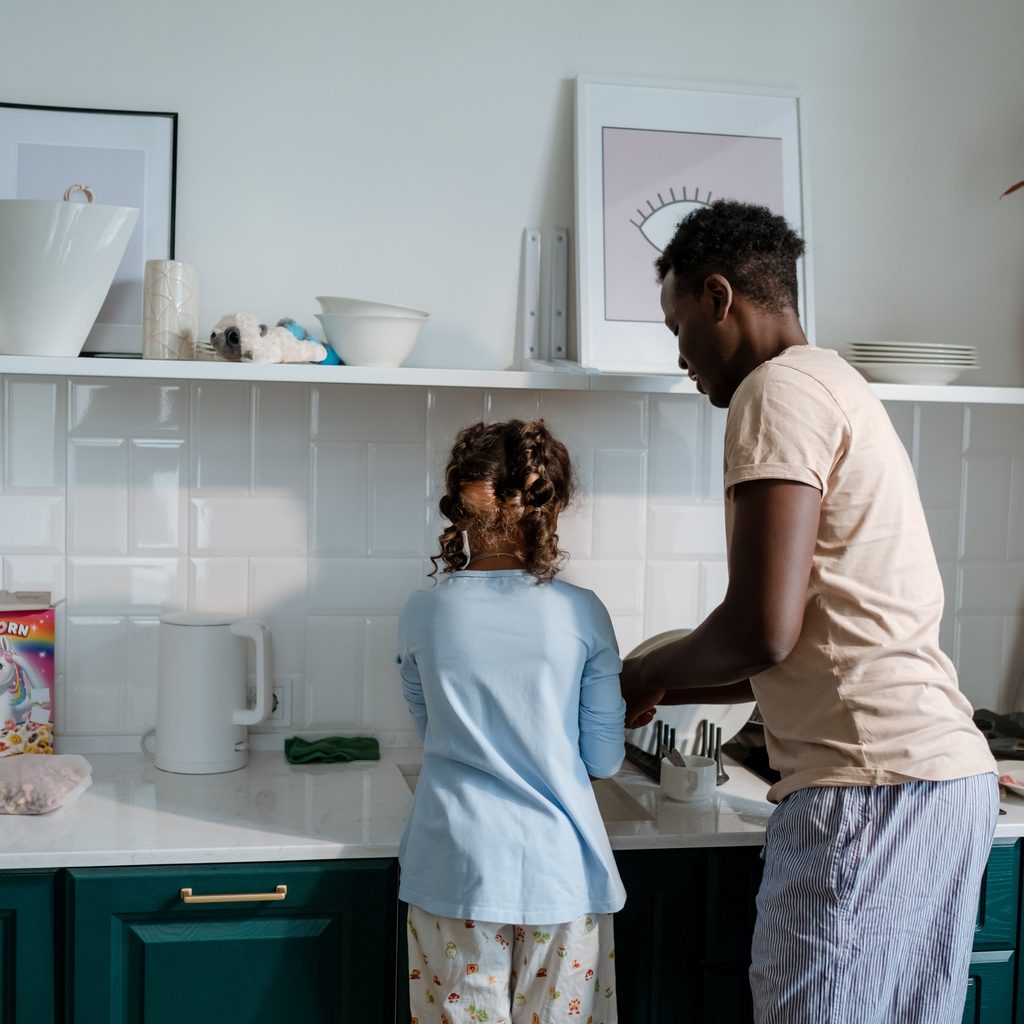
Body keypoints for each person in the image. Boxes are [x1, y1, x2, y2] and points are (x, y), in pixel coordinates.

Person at [621, 199, 998, 1024]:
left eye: (677, 325)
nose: (679, 354)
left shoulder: (775, 391)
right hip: (940, 779)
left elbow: (760, 629)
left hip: (871, 789)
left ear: (720, 298)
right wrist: (658, 689)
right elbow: (793, 647)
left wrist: (636, 675)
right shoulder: (834, 381)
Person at [397, 418, 626, 1024]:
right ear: (552, 505)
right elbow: (602, 760)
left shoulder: (423, 613)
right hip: (560, 875)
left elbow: (434, 732)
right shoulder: (582, 613)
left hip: (453, 869)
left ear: (460, 505)